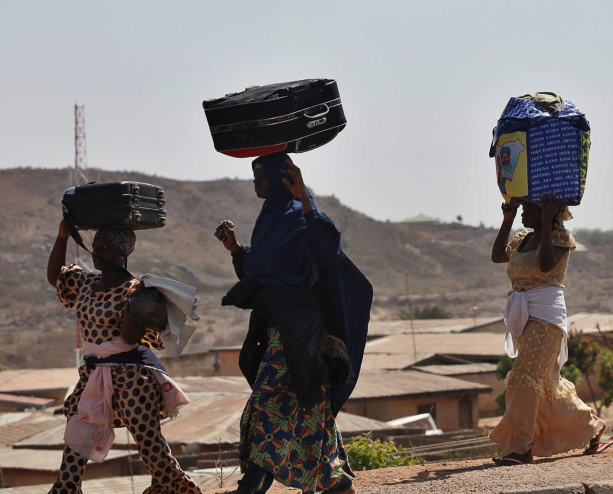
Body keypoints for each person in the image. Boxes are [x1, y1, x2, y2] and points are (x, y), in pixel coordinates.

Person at [215, 153, 371, 494]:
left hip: (302, 336)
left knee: (267, 406)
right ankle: (337, 483)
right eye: (255, 176)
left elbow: (329, 250)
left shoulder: (299, 216)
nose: (255, 183)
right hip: (277, 330)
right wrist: (236, 250)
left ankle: (253, 485)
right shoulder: (272, 220)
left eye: (261, 177)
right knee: (310, 411)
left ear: (282, 179)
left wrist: (306, 201)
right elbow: (264, 275)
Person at [46, 223, 201, 493]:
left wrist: (133, 303)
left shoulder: (137, 290)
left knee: (149, 443)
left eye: (105, 248)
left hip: (132, 378)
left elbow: (130, 338)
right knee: (77, 432)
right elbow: (55, 277)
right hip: (93, 374)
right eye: (95, 247)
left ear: (122, 253)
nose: (97, 253)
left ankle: (174, 487)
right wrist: (62, 237)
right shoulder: (86, 282)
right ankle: (67, 488)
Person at [488, 194, 613, 465]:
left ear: (546, 212)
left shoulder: (560, 238)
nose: (523, 213)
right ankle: (592, 426)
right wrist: (507, 220)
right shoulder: (522, 239)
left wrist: (546, 224)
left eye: (528, 209)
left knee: (523, 377)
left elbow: (546, 265)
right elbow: (497, 256)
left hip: (546, 319)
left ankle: (521, 448)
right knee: (543, 383)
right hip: (524, 316)